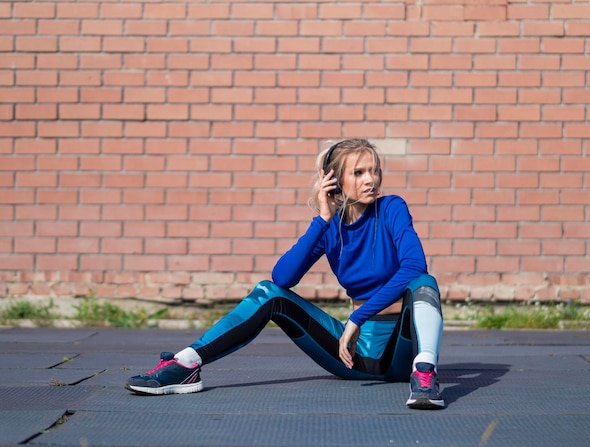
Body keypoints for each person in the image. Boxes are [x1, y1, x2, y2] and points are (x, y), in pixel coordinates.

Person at [125, 138, 445, 410]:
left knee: (423, 282)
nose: (370, 179)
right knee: (268, 292)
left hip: (401, 352)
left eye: (374, 171)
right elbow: (282, 278)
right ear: (333, 180)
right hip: (354, 358)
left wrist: (359, 318)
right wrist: (321, 219)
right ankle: (186, 364)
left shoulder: (391, 208)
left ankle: (425, 375)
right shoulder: (329, 226)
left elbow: (415, 265)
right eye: (359, 172)